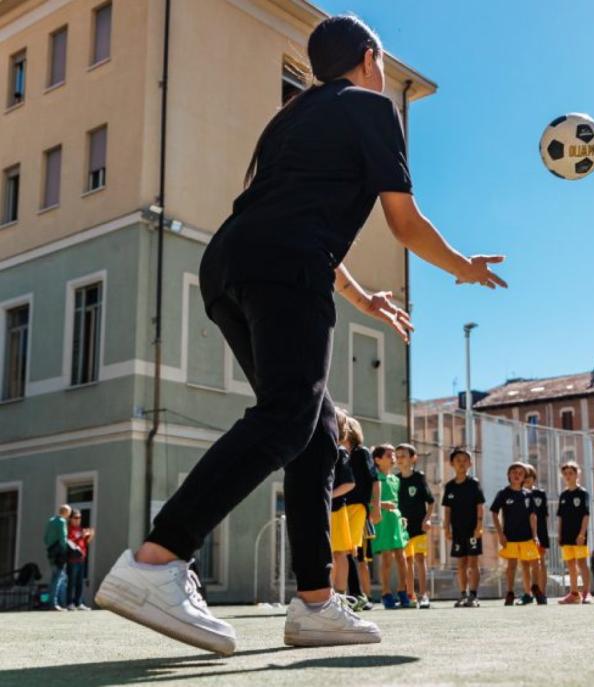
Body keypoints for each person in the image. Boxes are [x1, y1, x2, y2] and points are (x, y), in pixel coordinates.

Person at [95, 15, 507, 654]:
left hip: (229, 263)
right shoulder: (372, 109)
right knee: (289, 416)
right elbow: (404, 222)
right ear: (371, 58)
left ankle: (315, 603)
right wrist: (462, 267)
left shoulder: (289, 117)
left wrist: (358, 294)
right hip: (283, 265)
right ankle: (158, 560)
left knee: (316, 435)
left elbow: (284, 211)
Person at [490, 462, 541, 606]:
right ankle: (510, 593)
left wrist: (535, 535)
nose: (517, 475)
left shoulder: (528, 494)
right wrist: (500, 534)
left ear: (524, 477)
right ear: (509, 476)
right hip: (510, 538)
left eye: (520, 473)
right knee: (511, 566)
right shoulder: (503, 493)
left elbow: (533, 516)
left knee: (535, 562)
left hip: (527, 537)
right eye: (514, 472)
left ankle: (535, 588)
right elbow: (494, 513)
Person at [341, 417, 378, 608]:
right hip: (341, 507)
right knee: (344, 551)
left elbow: (374, 480)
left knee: (349, 549)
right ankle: (353, 594)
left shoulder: (362, 452)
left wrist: (376, 507)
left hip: (357, 507)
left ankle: (356, 594)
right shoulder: (340, 454)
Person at [443, 447, 485, 607]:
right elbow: (447, 509)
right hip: (457, 530)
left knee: (473, 562)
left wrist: (479, 526)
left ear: (470, 463)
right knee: (461, 563)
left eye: (465, 460)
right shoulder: (449, 486)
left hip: (472, 529)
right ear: (452, 463)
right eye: (458, 460)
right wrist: (446, 528)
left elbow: (480, 505)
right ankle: (462, 594)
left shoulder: (474, 483)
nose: (461, 463)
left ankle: (473, 595)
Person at [396, 443, 434, 609]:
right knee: (407, 561)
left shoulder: (419, 477)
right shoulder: (395, 480)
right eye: (397, 456)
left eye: (403, 456)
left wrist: (427, 519)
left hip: (419, 525)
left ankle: (423, 594)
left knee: (420, 558)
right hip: (402, 528)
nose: (399, 459)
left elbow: (431, 502)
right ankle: (410, 596)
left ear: (413, 458)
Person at [371, 444, 409, 609]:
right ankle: (386, 593)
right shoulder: (374, 478)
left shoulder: (396, 480)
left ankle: (403, 590)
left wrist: (402, 516)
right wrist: (381, 504)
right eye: (388, 455)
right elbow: (368, 501)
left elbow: (397, 503)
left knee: (401, 557)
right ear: (377, 460)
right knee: (387, 558)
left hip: (396, 521)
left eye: (394, 455)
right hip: (382, 522)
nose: (393, 458)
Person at [329, 411, 358, 601]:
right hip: (326, 510)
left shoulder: (340, 452)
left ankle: (340, 594)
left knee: (339, 553)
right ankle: (329, 593)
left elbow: (350, 483)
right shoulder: (327, 449)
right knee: (329, 554)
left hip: (337, 510)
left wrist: (329, 495)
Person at [556, 461, 591, 604]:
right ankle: (574, 593)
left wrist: (582, 533)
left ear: (577, 474)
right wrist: (559, 534)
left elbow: (586, 515)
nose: (568, 476)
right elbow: (560, 517)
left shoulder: (583, 493)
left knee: (582, 563)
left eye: (571, 473)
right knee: (570, 565)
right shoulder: (563, 495)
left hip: (579, 535)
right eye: (565, 474)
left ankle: (586, 593)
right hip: (566, 535)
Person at [522, 464, 550, 603]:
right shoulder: (518, 494)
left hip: (540, 534)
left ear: (534, 478)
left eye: (530, 476)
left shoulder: (540, 494)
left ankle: (542, 592)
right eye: (525, 477)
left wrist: (542, 535)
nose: (527, 480)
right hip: (523, 535)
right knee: (525, 563)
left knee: (541, 563)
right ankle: (527, 594)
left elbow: (544, 516)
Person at [43, 505, 71, 612]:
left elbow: (45, 538)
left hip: (51, 553)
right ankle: (54, 603)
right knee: (57, 578)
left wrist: (50, 547)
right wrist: (65, 551)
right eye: (69, 512)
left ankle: (55, 602)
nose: (69, 514)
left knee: (56, 577)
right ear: (66, 512)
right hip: (59, 554)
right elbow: (63, 538)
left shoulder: (51, 520)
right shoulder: (62, 521)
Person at [66, 510, 94, 610]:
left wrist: (90, 535)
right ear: (70, 519)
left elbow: (85, 543)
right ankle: (69, 603)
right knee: (71, 582)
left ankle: (78, 603)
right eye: (76, 518)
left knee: (79, 582)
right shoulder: (69, 529)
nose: (78, 520)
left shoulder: (80, 529)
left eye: (80, 518)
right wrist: (81, 536)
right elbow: (70, 544)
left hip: (81, 559)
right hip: (72, 560)